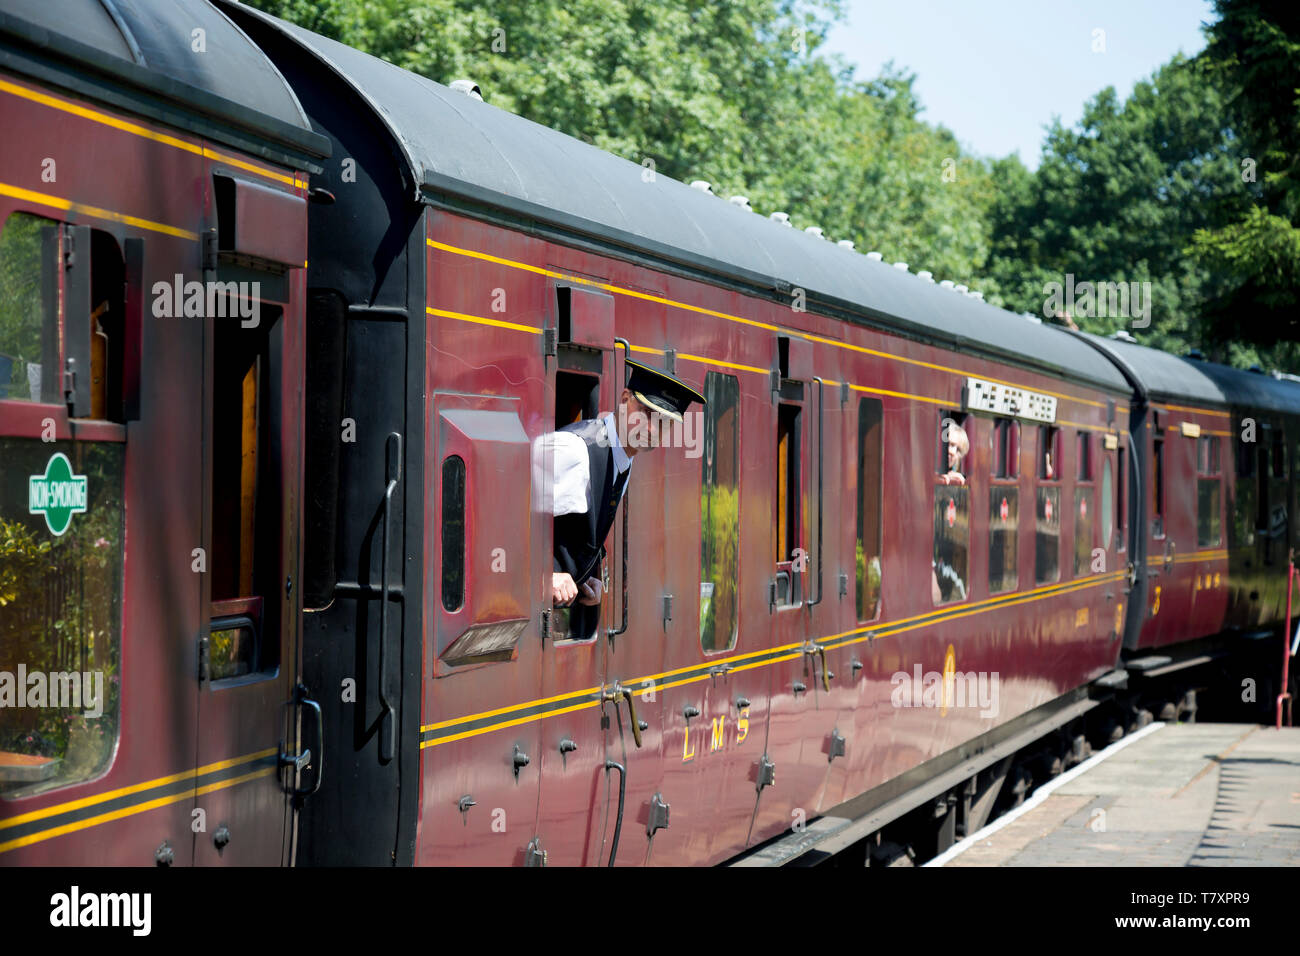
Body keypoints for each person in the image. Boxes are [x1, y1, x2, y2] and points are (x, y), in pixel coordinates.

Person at [541, 360, 705, 611]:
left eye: (664, 422)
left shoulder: (623, 459)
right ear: (625, 398)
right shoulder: (574, 449)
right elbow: (504, 513)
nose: (652, 428)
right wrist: (544, 576)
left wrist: (584, 578)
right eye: (647, 413)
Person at [932, 421, 970, 603]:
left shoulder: (958, 478)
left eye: (956, 448)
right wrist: (941, 480)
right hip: (923, 550)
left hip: (942, 552)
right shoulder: (935, 472)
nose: (951, 451)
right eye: (949, 444)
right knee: (935, 595)